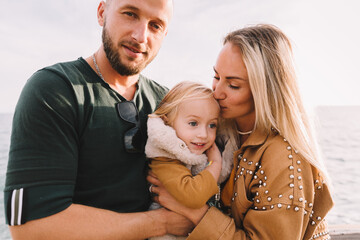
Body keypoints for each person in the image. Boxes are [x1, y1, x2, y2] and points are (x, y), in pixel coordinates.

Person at [4, 0, 194, 239]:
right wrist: (161, 224)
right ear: (102, 12)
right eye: (130, 14)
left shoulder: (168, 103)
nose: (140, 36)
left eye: (155, 25)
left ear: (164, 34)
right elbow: (30, 228)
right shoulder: (55, 90)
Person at [148, 24, 334, 239]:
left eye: (233, 85)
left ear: (264, 91)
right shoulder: (219, 130)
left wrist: (192, 210)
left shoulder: (285, 159)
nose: (216, 92)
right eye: (216, 77)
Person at [145, 81, 235, 240]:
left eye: (212, 125)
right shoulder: (165, 157)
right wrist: (216, 165)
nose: (203, 134)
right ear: (168, 122)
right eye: (193, 123)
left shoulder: (192, 149)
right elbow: (193, 196)